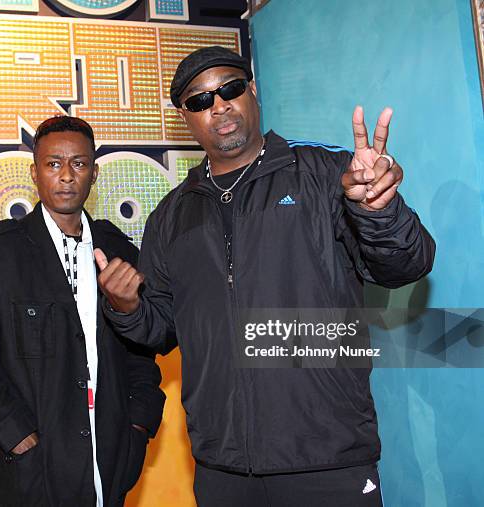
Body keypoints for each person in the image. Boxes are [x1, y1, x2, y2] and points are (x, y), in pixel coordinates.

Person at [94, 46, 435, 506]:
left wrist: (379, 211)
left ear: (252, 91)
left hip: (327, 458)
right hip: (224, 467)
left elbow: (405, 266)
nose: (219, 106)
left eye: (230, 89)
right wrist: (127, 307)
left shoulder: (325, 174)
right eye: (200, 100)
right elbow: (162, 329)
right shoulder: (171, 216)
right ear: (185, 117)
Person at [0, 115, 165, 507]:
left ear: (93, 174)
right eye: (53, 163)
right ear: (35, 172)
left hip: (107, 466)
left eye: (78, 164)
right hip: (20, 477)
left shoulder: (120, 252)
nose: (66, 176)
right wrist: (16, 435)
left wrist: (136, 425)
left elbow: (141, 356)